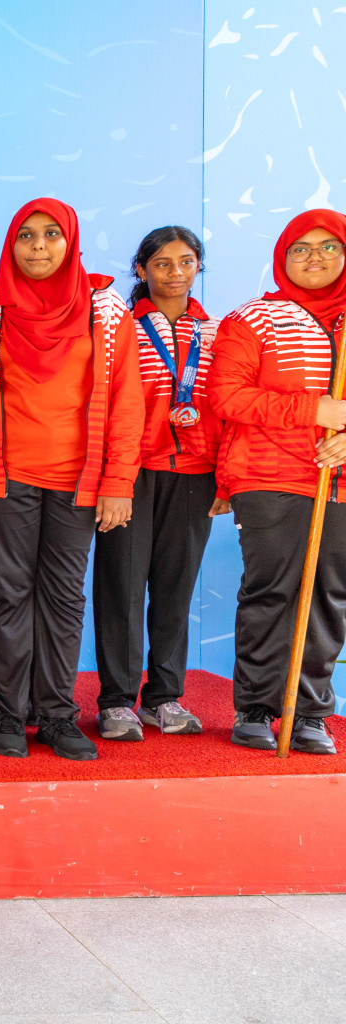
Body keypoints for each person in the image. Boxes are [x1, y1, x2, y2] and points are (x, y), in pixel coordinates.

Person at [0, 198, 142, 761]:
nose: (37, 246)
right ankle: (9, 712)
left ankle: (57, 716)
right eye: (26, 236)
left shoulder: (107, 312)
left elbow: (129, 402)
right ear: (10, 245)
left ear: (71, 242)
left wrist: (118, 483)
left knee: (63, 599)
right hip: (4, 480)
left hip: (78, 483)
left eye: (51, 235)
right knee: (8, 598)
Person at [209, 209, 346, 755]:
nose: (314, 257)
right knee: (273, 592)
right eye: (301, 248)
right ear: (282, 256)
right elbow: (227, 396)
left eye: (328, 246)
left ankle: (311, 712)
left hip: (337, 482)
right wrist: (316, 408)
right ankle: (257, 708)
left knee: (328, 597)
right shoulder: (253, 320)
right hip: (268, 477)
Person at [93, 226, 224, 741]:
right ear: (141, 269)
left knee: (175, 588)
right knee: (121, 587)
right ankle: (117, 701)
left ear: (198, 268)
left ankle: (164, 697)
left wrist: (227, 479)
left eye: (186, 262)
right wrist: (112, 478)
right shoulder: (118, 325)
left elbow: (223, 409)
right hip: (133, 474)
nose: (175, 272)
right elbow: (105, 407)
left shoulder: (215, 333)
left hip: (195, 474)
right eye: (163, 263)